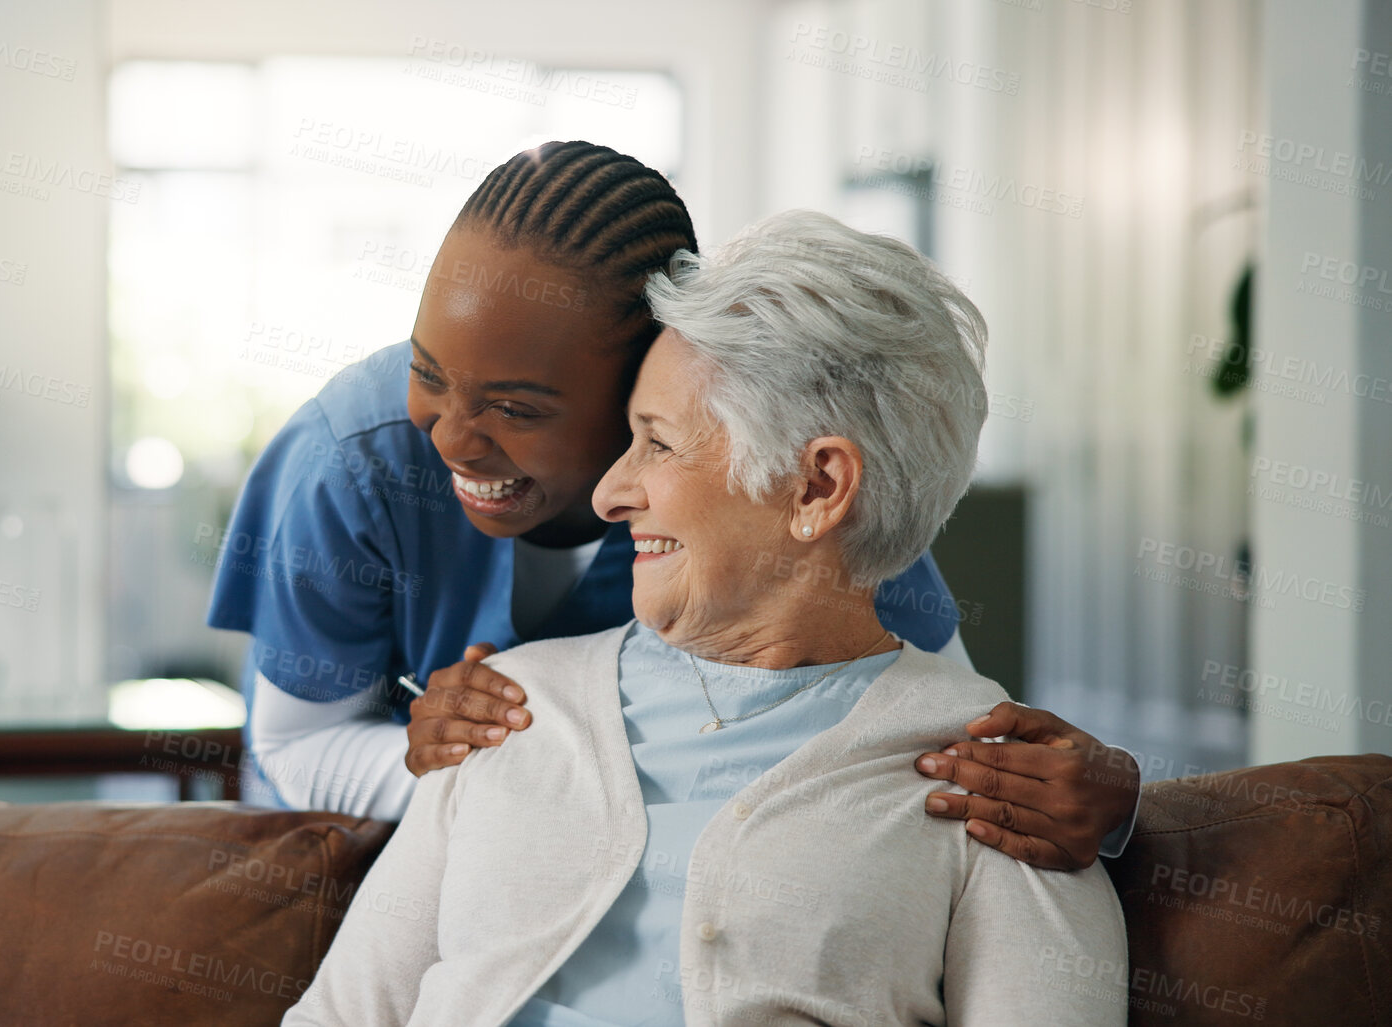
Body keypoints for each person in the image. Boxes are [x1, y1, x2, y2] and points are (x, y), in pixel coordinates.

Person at [283, 212, 1128, 1025]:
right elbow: (340, 1013)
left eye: (656, 442)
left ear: (817, 487)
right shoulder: (501, 708)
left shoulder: (1006, 790)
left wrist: (1127, 806)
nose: (610, 493)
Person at [207, 141, 1140, 870]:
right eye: (426, 372)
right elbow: (296, 747)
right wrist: (444, 764)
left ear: (648, 381)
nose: (451, 436)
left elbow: (934, 731)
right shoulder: (354, 459)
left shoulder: (771, 491)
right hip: (384, 852)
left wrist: (1106, 808)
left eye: (517, 408)